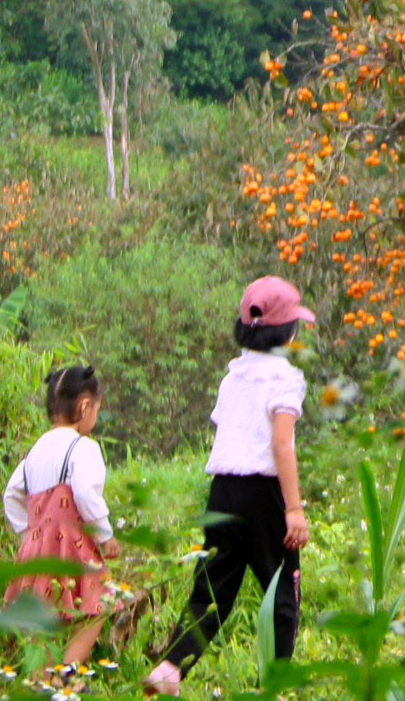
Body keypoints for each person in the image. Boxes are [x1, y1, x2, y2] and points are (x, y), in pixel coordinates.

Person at [143, 276, 315, 696]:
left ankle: (169, 668)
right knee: (282, 595)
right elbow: (280, 443)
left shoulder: (232, 376)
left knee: (212, 588)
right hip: (264, 494)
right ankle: (272, 687)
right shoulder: (286, 378)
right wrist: (293, 509)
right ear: (287, 331)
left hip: (223, 489)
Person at [3, 364, 115, 676]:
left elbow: (11, 494)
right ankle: (67, 671)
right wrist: (106, 535)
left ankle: (41, 678)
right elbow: (85, 494)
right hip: (73, 544)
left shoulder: (35, 451)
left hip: (36, 546)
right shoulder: (84, 447)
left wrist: (29, 532)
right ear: (84, 407)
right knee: (97, 605)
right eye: (96, 409)